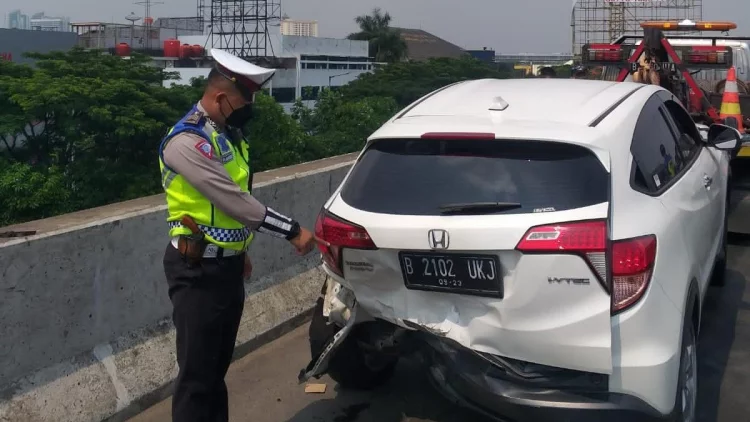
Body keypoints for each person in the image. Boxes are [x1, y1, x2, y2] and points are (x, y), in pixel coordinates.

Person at [157, 48, 318, 422]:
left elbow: (230, 210)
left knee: (215, 372)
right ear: (220, 97)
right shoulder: (187, 142)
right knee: (196, 378)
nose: (249, 107)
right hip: (196, 271)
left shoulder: (227, 136)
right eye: (244, 100)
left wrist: (240, 249)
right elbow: (234, 201)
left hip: (226, 269)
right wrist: (292, 230)